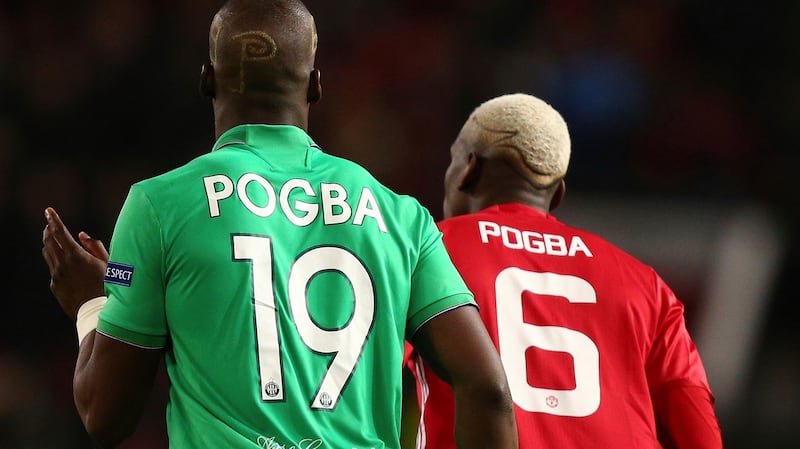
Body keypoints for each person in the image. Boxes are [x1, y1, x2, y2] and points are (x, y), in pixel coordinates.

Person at [40, 1, 518, 448]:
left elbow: (104, 415)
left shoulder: (158, 205)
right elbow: (490, 387)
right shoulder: (401, 215)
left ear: (207, 80)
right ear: (315, 86)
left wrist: (93, 304)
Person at [403, 93, 723, 449]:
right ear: (557, 196)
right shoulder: (646, 285)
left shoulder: (425, 250)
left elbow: (361, 368)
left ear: (468, 168)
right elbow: (699, 433)